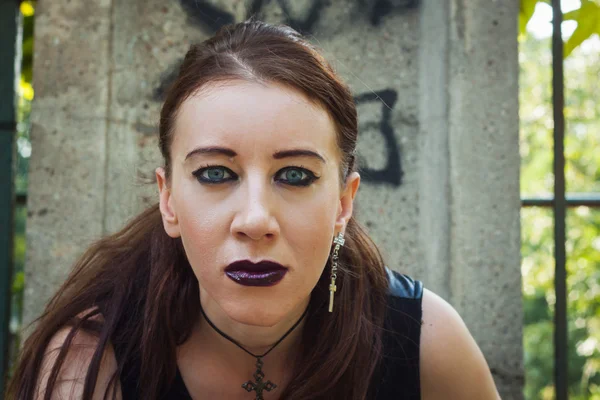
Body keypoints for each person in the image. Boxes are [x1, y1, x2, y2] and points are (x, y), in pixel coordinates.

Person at [7, 19, 500, 400]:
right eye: (216, 174)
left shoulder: (425, 345)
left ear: (343, 203)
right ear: (168, 199)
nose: (256, 220)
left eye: (295, 176)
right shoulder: (91, 359)